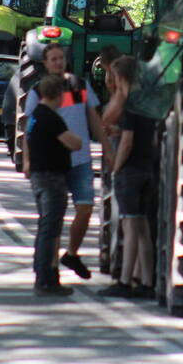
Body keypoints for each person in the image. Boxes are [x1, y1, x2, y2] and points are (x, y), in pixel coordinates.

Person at [21, 42, 114, 280]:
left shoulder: (78, 85)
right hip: (53, 163)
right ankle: (50, 267)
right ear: (45, 63)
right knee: (54, 217)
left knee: (86, 207)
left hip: (80, 160)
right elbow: (30, 128)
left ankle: (71, 253)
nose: (58, 63)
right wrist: (28, 160)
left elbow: (94, 119)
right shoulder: (39, 90)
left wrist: (107, 148)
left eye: (61, 58)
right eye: (53, 59)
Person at [99, 57, 155, 298]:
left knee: (129, 226)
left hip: (130, 171)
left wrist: (117, 167)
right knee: (143, 227)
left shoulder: (130, 104)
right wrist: (118, 130)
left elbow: (127, 142)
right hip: (147, 168)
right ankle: (147, 282)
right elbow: (143, 135)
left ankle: (124, 281)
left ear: (121, 77)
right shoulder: (147, 103)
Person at [26, 74, 83, 297]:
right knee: (51, 230)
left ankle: (44, 275)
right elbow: (74, 143)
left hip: (39, 176)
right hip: (52, 178)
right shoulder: (50, 117)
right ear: (57, 94)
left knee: (45, 228)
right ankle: (45, 279)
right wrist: (78, 139)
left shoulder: (35, 115)